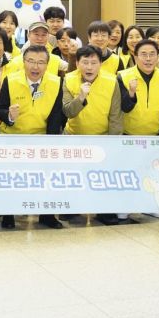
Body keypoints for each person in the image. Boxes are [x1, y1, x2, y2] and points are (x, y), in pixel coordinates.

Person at [0, 45, 65, 229]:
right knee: (11, 180)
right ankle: (8, 214)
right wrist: (9, 115)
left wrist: (51, 143)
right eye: (31, 61)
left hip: (41, 138)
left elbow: (56, 115)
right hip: (13, 137)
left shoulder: (56, 82)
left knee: (44, 180)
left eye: (41, 62)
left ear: (47, 64)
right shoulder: (11, 80)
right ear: (23, 62)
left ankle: (47, 215)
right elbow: (0, 109)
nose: (36, 67)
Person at [62, 45, 123, 225]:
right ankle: (70, 208)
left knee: (103, 177)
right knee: (73, 176)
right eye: (85, 62)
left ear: (101, 64)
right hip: (74, 136)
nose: (89, 67)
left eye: (93, 62)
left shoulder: (112, 81)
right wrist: (80, 97)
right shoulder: (68, 79)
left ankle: (105, 211)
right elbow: (67, 112)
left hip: (102, 137)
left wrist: (113, 144)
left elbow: (116, 116)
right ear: (78, 63)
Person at [118, 39, 159, 220]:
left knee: (151, 173)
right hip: (129, 135)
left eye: (152, 54)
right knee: (130, 172)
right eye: (143, 54)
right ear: (135, 56)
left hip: (155, 135)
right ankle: (126, 206)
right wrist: (131, 93)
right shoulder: (123, 76)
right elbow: (123, 107)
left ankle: (150, 205)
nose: (148, 59)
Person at [6, 22, 70, 76]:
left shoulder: (55, 59)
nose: (40, 38)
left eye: (43, 35)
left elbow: (72, 69)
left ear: (48, 37)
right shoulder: (17, 61)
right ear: (28, 36)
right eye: (36, 34)